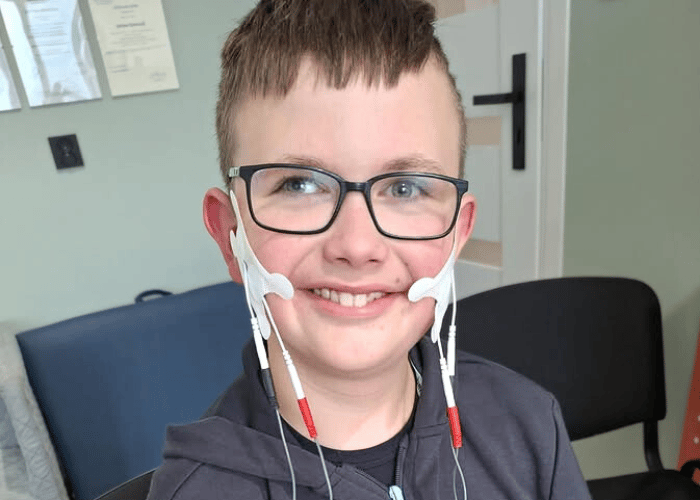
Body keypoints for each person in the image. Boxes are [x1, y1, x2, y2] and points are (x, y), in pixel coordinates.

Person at [147, 1, 592, 499]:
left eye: (405, 188)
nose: (358, 247)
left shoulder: (528, 423)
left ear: (457, 233)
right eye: (299, 184)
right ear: (231, 236)